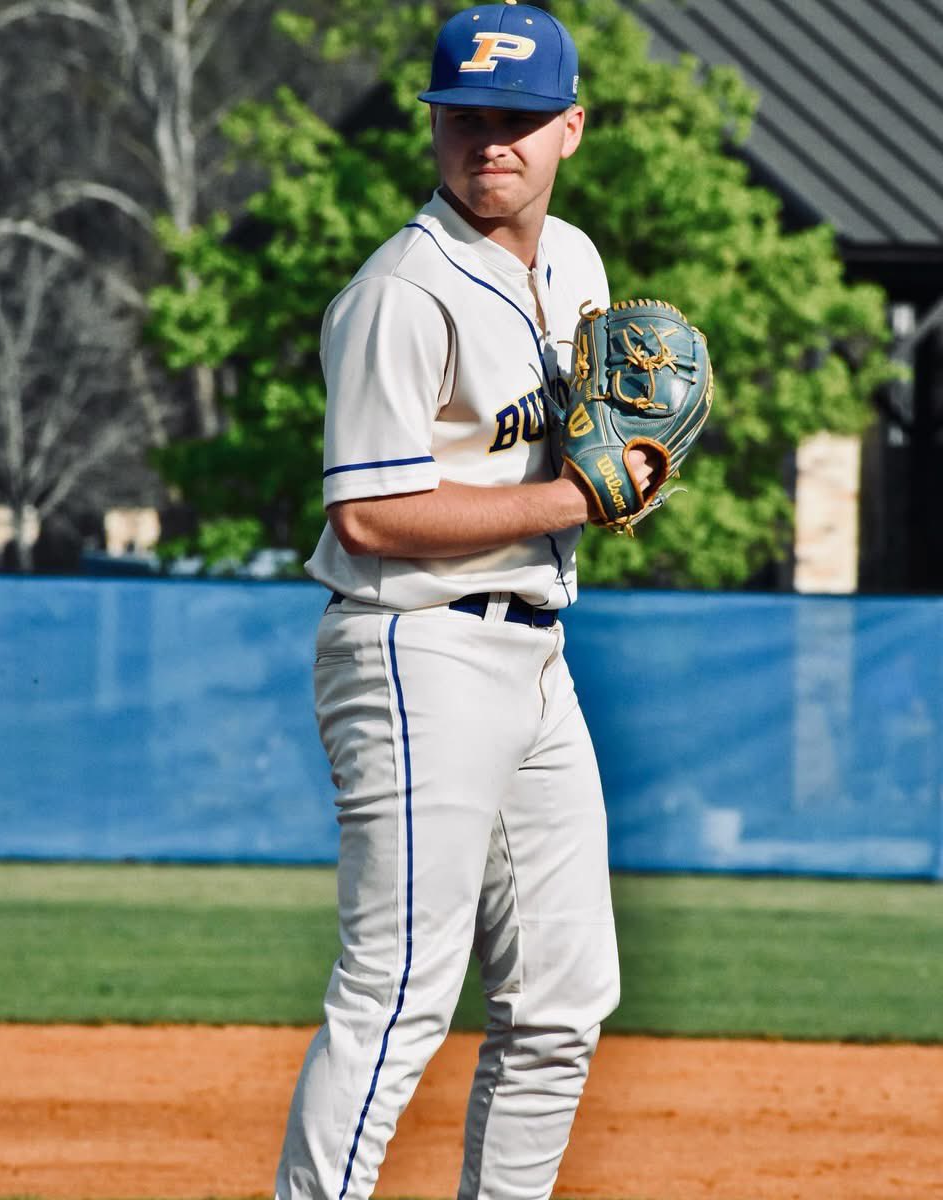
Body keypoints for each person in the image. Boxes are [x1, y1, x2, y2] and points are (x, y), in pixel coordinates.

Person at [275, 5, 650, 1197]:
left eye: (520, 119)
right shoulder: (400, 291)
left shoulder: (578, 264)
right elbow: (369, 514)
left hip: (538, 655)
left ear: (570, 130)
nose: (493, 140)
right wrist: (573, 502)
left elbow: (582, 452)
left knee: (565, 998)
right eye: (468, 118)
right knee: (397, 992)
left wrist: (626, 473)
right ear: (436, 128)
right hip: (412, 645)